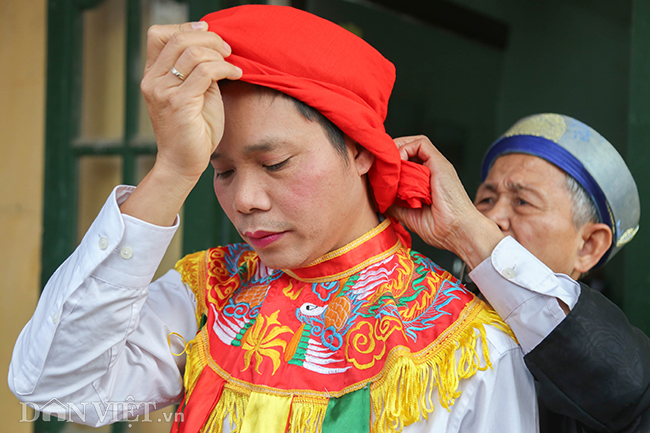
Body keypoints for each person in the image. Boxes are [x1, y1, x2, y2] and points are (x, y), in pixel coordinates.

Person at [8, 5, 537, 433]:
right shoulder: (209, 294)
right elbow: (56, 385)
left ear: (359, 150)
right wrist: (172, 169)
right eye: (222, 170)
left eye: (275, 163)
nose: (246, 200)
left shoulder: (463, 345)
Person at [389, 114, 650, 433]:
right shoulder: (417, 327)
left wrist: (469, 232)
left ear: (589, 246)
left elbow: (630, 392)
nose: (491, 217)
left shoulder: (614, 375)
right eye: (485, 199)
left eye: (523, 202)